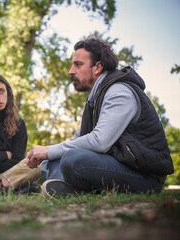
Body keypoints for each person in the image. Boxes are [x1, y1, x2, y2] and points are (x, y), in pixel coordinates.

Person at [26, 38, 174, 198]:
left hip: (145, 178)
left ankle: (74, 190)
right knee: (51, 160)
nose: (71, 71)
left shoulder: (119, 92)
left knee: (72, 158)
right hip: (117, 167)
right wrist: (49, 153)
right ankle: (72, 190)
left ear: (97, 67)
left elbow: (99, 142)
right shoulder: (95, 99)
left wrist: (48, 150)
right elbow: (78, 140)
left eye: (78, 64)